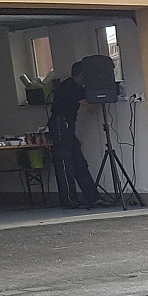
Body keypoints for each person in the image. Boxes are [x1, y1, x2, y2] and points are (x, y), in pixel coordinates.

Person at [49, 61, 102, 209]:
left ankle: (92, 197)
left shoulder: (69, 85)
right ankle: (69, 200)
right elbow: (91, 107)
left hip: (66, 126)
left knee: (78, 162)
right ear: (82, 75)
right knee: (66, 163)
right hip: (61, 125)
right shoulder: (72, 87)